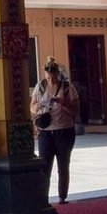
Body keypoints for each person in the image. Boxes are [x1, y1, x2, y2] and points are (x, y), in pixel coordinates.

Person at [31, 56, 80, 204]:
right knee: (44, 166)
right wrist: (40, 106)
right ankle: (43, 198)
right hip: (46, 131)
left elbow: (75, 111)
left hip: (64, 130)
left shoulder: (67, 88)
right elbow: (32, 107)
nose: (50, 76)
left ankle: (62, 197)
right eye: (48, 73)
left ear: (57, 73)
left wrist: (64, 104)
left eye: (53, 73)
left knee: (63, 165)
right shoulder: (40, 88)